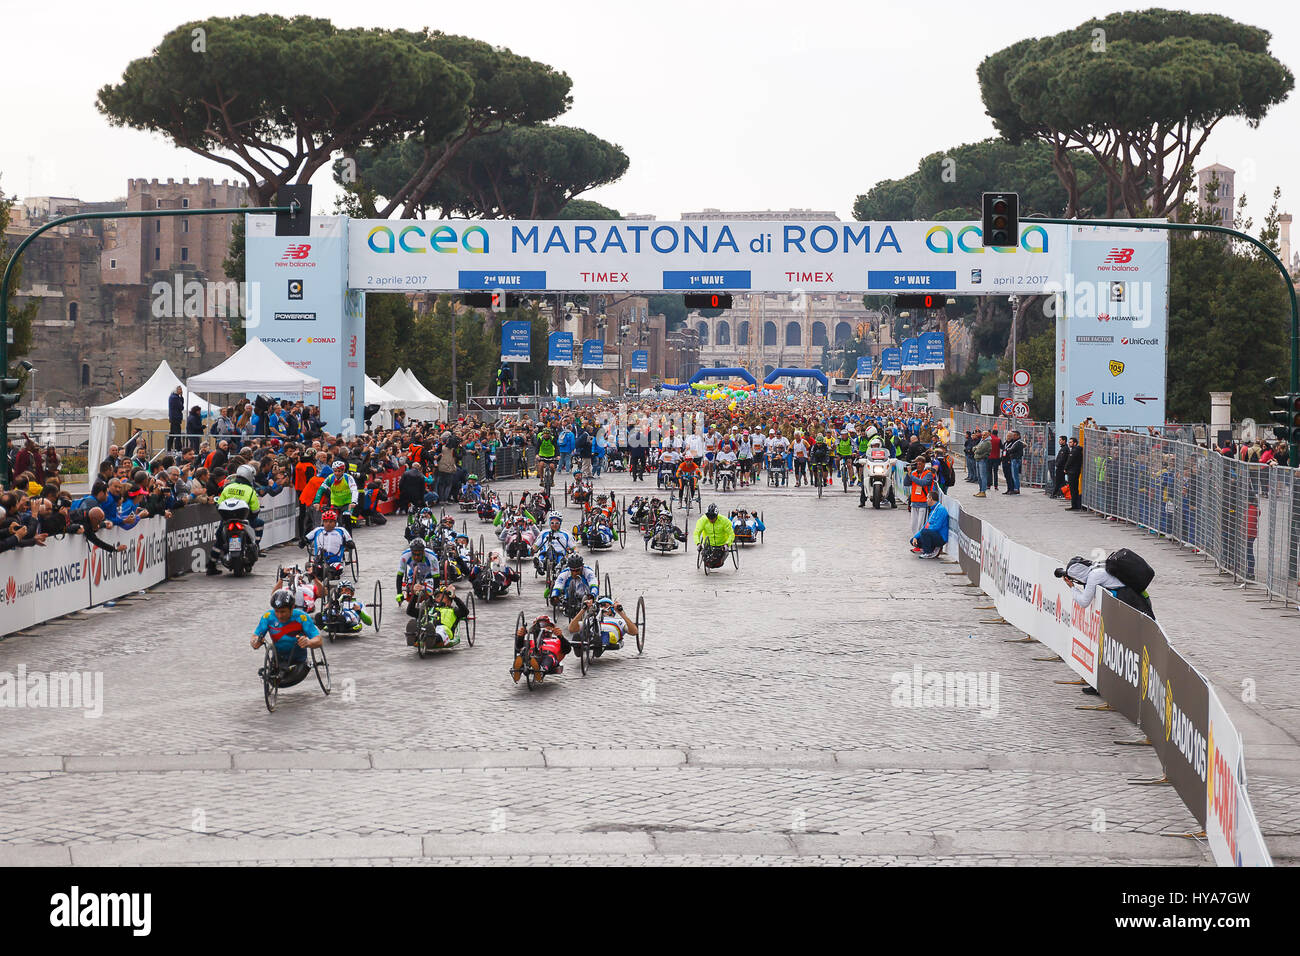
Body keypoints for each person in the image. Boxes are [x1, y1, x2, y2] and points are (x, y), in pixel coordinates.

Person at [252, 590, 323, 689]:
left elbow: (318, 640)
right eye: (277, 611)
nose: (280, 615)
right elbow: (255, 636)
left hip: (298, 661)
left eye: (283, 611)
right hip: (278, 660)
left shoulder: (302, 617)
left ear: (292, 607)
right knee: (271, 676)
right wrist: (256, 641)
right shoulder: (268, 616)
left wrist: (308, 642)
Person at [208, 463, 262, 573]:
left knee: (219, 540)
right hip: (244, 520)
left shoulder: (228, 487)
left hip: (227, 520)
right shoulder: (250, 490)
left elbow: (219, 503)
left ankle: (211, 565)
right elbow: (255, 510)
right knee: (260, 523)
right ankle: (256, 545)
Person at [568, 594, 639, 653]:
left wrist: (620, 612)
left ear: (612, 609)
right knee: (581, 632)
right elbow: (571, 628)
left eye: (605, 605)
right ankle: (583, 642)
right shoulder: (591, 619)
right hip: (591, 634)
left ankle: (598, 643)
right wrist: (583, 609)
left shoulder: (619, 621)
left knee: (606, 636)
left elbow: (634, 631)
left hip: (609, 637)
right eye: (600, 606)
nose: (602, 608)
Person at [511, 614, 572, 682]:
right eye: (541, 626)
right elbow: (518, 647)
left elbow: (567, 649)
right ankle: (518, 669)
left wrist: (561, 636)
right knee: (524, 652)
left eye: (546, 626)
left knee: (549, 657)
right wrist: (521, 636)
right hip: (532, 655)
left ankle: (541, 670)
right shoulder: (531, 640)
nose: (543, 628)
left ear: (552, 628)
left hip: (549, 656)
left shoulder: (558, 640)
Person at [303, 509, 353, 578]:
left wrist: (349, 543)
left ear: (335, 522)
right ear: (323, 522)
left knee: (336, 570)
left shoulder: (341, 530)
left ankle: (329, 574)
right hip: (319, 560)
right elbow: (307, 538)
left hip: (335, 560)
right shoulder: (318, 530)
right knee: (315, 571)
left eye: (331, 522)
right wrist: (303, 541)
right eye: (326, 522)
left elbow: (349, 540)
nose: (328, 524)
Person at [694, 503, 735, 568]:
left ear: (717, 515)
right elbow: (696, 533)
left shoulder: (724, 521)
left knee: (718, 563)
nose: (711, 520)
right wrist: (698, 543)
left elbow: (731, 534)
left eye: (713, 518)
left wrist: (727, 544)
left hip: (721, 545)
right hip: (708, 545)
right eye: (709, 518)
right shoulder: (702, 520)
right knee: (707, 561)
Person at [909, 490, 948, 558]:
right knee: (913, 540)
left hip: (941, 537)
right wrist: (916, 536)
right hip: (933, 534)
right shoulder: (933, 509)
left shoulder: (941, 509)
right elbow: (926, 525)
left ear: (931, 499)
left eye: (927, 498)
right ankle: (932, 548)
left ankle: (928, 552)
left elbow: (936, 527)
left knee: (925, 532)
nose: (926, 500)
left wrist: (925, 531)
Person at [1065, 438, 1084, 510]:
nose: (1069, 444)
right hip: (1075, 471)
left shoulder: (1075, 451)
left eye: (1071, 442)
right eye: (1069, 442)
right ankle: (1075, 504)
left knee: (1073, 489)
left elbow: (1070, 461)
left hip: (1073, 472)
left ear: (1075, 443)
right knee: (1074, 489)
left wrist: (1065, 468)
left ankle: (1074, 505)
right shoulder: (1076, 450)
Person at [972, 430, 991, 497]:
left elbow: (979, 450)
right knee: (979, 476)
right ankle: (980, 490)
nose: (983, 436)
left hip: (982, 460)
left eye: (984, 435)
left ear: (988, 435)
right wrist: (976, 449)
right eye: (982, 435)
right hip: (978, 459)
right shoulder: (981, 441)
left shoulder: (987, 442)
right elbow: (974, 448)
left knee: (983, 476)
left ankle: (983, 491)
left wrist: (976, 449)